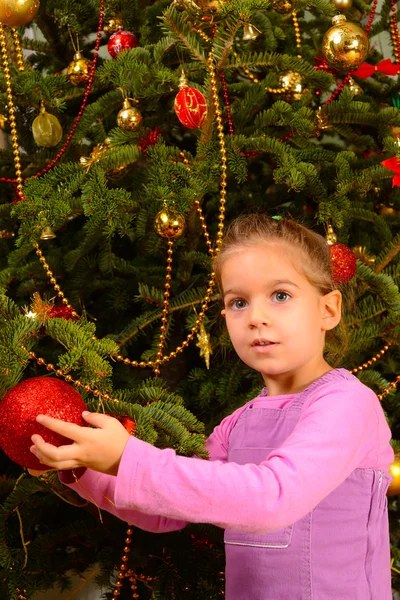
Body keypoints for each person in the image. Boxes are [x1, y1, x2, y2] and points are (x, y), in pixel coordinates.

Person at [29, 215, 394, 599]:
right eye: (238, 302)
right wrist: (85, 464)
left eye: (281, 295)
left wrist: (127, 458)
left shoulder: (347, 404)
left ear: (328, 310)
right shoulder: (240, 423)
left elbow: (272, 499)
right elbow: (165, 510)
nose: (256, 318)